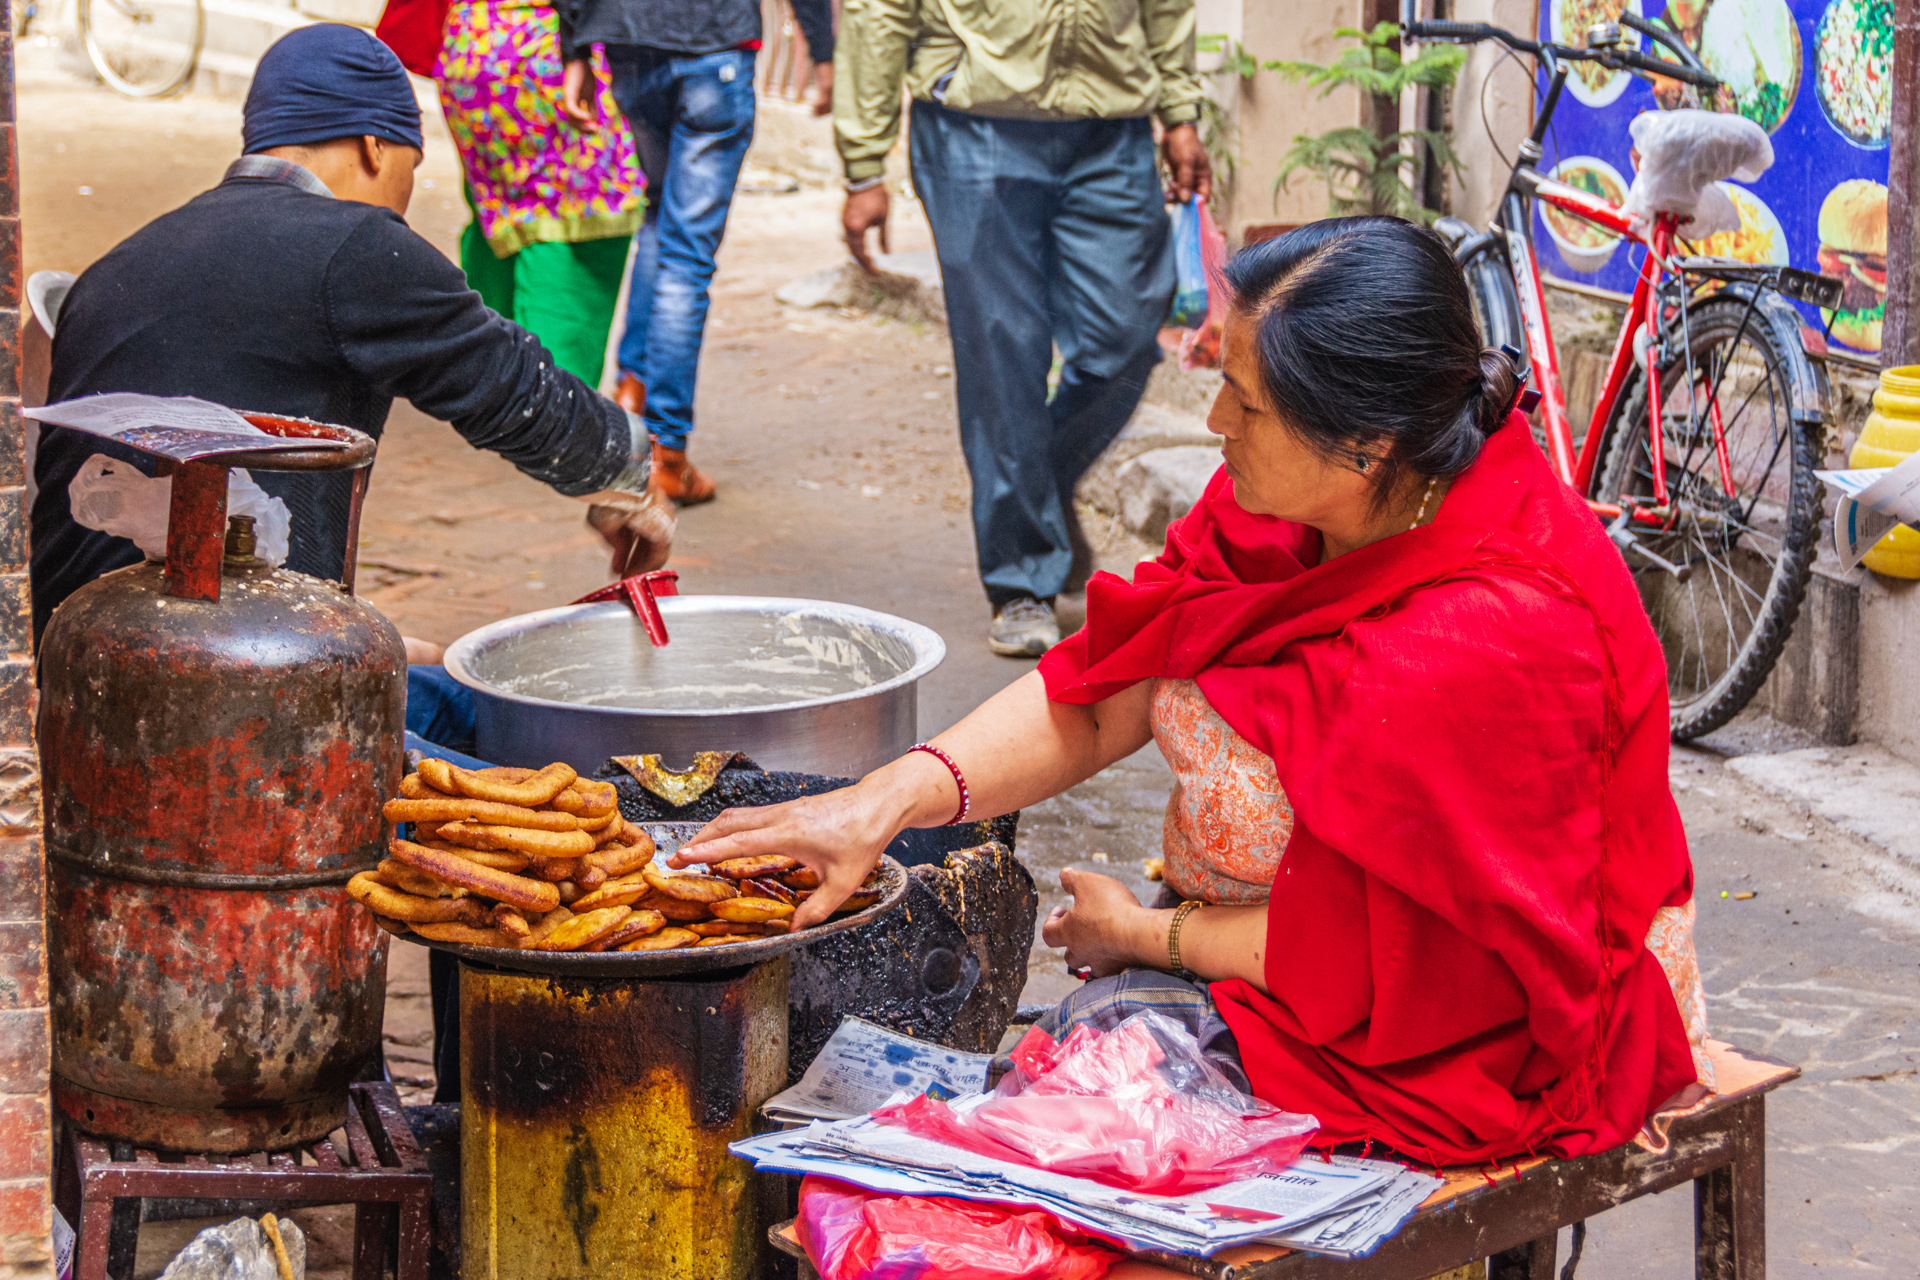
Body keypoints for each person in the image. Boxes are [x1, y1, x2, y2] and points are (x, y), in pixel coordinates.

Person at [672, 218, 1714, 1164]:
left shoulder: (1491, 632)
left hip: (1452, 1024)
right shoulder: (1290, 503)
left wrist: (1144, 936)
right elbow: (1110, 682)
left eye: (1246, 404)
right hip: (1269, 949)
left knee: (1035, 1154)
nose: (1215, 420)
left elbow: (1387, 958)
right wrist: (884, 800)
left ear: (1367, 446)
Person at [33, 24, 670, 653]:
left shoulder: (117, 264)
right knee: (473, 707)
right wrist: (631, 478)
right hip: (214, 669)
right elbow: (517, 392)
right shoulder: (356, 246)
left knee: (421, 663)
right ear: (374, 147)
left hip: (66, 651)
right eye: (411, 167)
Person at [836, 0, 1212, 657]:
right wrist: (864, 162)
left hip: (1111, 126)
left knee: (1124, 336)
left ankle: (1036, 489)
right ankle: (1020, 578)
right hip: (972, 123)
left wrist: (1179, 112)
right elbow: (883, 11)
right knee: (1001, 352)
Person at [557, 0, 836, 504]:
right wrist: (823, 49)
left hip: (629, 40)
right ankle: (665, 453)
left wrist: (573, 46)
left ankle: (632, 397)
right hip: (713, 43)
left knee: (660, 218)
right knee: (685, 254)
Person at [430, 0, 645, 384]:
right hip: (548, 52)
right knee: (576, 234)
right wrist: (576, 50)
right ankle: (550, 401)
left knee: (499, 224)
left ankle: (488, 387)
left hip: (476, 40)